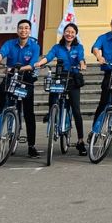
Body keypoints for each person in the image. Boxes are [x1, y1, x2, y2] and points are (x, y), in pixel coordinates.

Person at [34, 22, 88, 156]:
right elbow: (49, 56)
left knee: (76, 110)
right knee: (53, 92)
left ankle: (81, 141)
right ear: (64, 33)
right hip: (60, 77)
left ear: (75, 35)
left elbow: (81, 58)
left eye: (72, 32)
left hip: (73, 79)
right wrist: (39, 63)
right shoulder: (57, 47)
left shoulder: (78, 47)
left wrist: (82, 64)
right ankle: (51, 111)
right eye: (67, 31)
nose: (69, 34)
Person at [0, 19, 41, 157]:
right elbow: (2, 53)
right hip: (12, 76)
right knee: (1, 91)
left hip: (26, 78)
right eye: (21, 28)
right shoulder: (9, 43)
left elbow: (33, 64)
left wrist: (16, 69)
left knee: (29, 112)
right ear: (17, 30)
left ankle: (31, 145)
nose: (23, 30)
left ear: (30, 31)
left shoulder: (35, 46)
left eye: (26, 28)